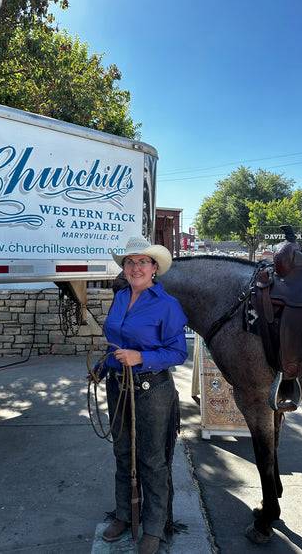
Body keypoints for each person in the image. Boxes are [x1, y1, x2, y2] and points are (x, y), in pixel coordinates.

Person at [96, 236, 188, 554]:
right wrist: (102, 365)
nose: (135, 267)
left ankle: (154, 527)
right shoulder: (121, 297)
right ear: (124, 268)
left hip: (152, 390)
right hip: (118, 387)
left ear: (154, 268)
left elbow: (178, 353)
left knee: (151, 461)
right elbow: (116, 342)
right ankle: (124, 515)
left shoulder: (167, 305)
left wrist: (141, 358)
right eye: (130, 262)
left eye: (142, 262)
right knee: (123, 454)